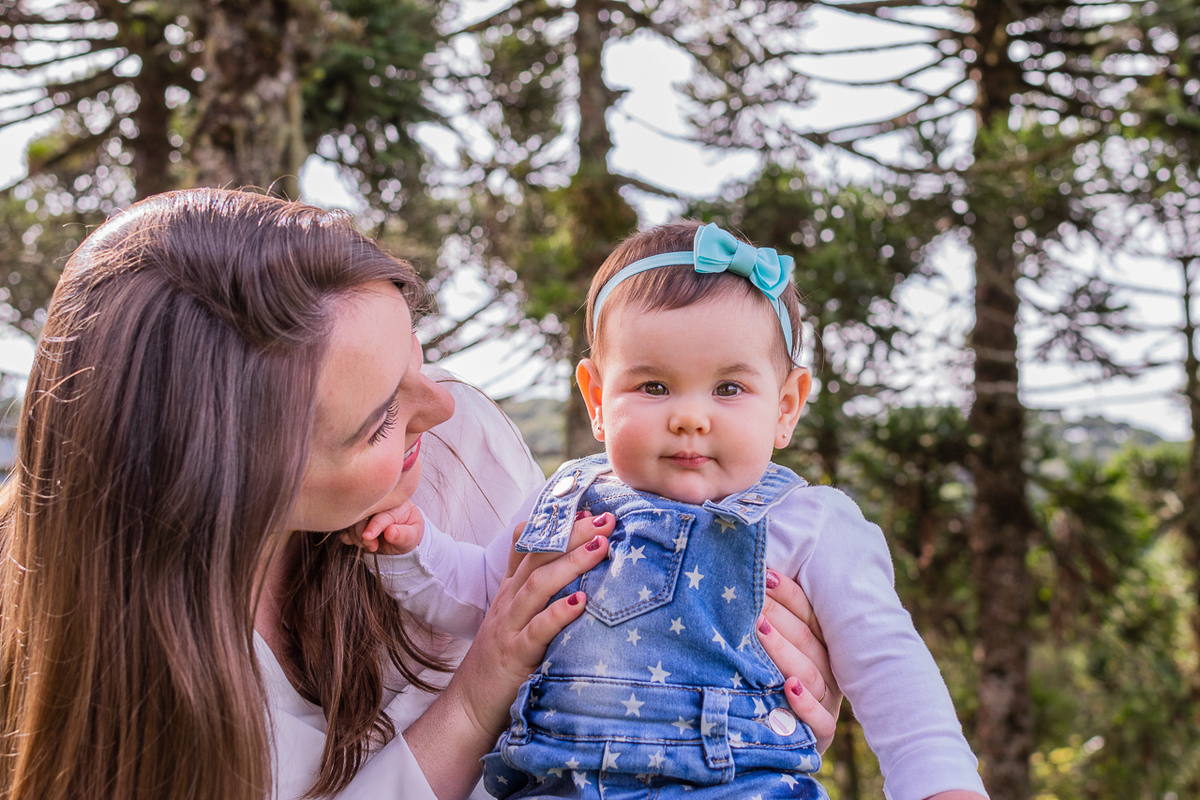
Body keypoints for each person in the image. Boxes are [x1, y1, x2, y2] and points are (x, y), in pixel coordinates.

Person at [0, 190, 837, 800]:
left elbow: (623, 676)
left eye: (415, 353)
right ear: (232, 490)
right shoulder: (126, 685)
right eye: (379, 422)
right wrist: (475, 698)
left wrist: (764, 727)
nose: (440, 405)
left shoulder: (455, 452)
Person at [358, 221, 990, 799]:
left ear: (786, 406)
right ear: (597, 399)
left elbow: (890, 670)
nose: (690, 416)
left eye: (729, 388)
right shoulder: (567, 500)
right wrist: (415, 548)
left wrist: (942, 788)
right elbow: (485, 601)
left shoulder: (811, 524)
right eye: (654, 386)